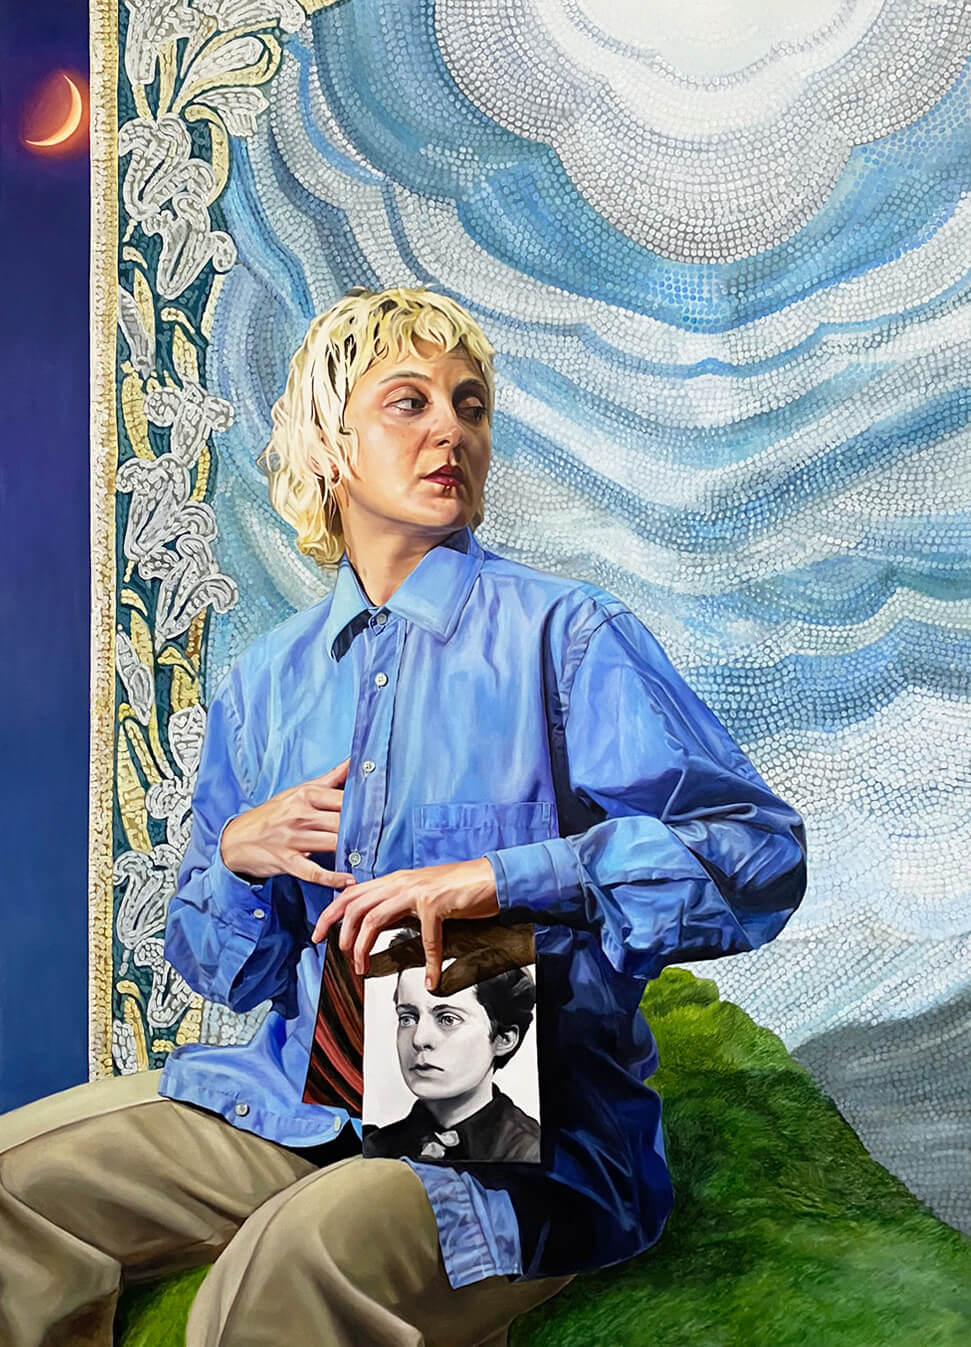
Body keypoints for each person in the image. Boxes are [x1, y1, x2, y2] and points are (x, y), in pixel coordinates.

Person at [0, 285, 808, 1347]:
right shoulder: (264, 685)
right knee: (13, 1184)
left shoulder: (566, 635)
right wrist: (238, 859)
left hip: (512, 1129)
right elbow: (230, 972)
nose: (451, 432)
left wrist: (504, 877)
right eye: (409, 402)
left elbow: (754, 855)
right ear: (328, 446)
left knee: (294, 1257)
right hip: (302, 1102)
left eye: (470, 406)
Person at [363, 931, 541, 1163]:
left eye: (448, 1019)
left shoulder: (531, 1151)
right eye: (407, 1018)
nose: (419, 1039)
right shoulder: (376, 1149)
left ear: (503, 1039)